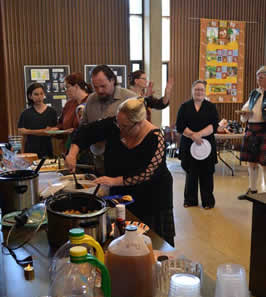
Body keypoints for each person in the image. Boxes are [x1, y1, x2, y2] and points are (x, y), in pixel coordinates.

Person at [65, 98, 175, 246]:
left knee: (150, 241)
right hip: (121, 193)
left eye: (124, 126)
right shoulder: (116, 124)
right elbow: (85, 131)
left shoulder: (156, 137)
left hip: (152, 196)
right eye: (118, 123)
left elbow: (147, 173)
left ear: (139, 122)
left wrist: (114, 180)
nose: (119, 128)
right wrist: (72, 154)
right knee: (120, 236)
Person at [176, 80, 219, 209]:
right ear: (192, 91)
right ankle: (190, 200)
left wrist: (198, 134)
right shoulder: (184, 106)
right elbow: (180, 126)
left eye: (201, 89)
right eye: (196, 89)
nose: (199, 92)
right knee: (191, 173)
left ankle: (208, 202)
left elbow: (213, 126)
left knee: (207, 173)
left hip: (207, 145)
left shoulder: (211, 107)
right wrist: (192, 136)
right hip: (189, 145)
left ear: (205, 91)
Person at [238, 66, 266, 199]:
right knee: (251, 161)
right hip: (252, 130)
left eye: (261, 77)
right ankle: (253, 190)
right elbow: (247, 107)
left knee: (265, 163)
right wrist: (244, 112)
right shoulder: (254, 93)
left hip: (264, 130)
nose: (258, 79)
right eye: (257, 77)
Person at [18, 82, 57, 158]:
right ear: (30, 96)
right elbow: (22, 134)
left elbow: (52, 132)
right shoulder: (25, 113)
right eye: (36, 94)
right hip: (30, 152)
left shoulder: (52, 112)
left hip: (47, 151)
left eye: (41, 94)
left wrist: (28, 131)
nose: (39, 97)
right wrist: (43, 131)